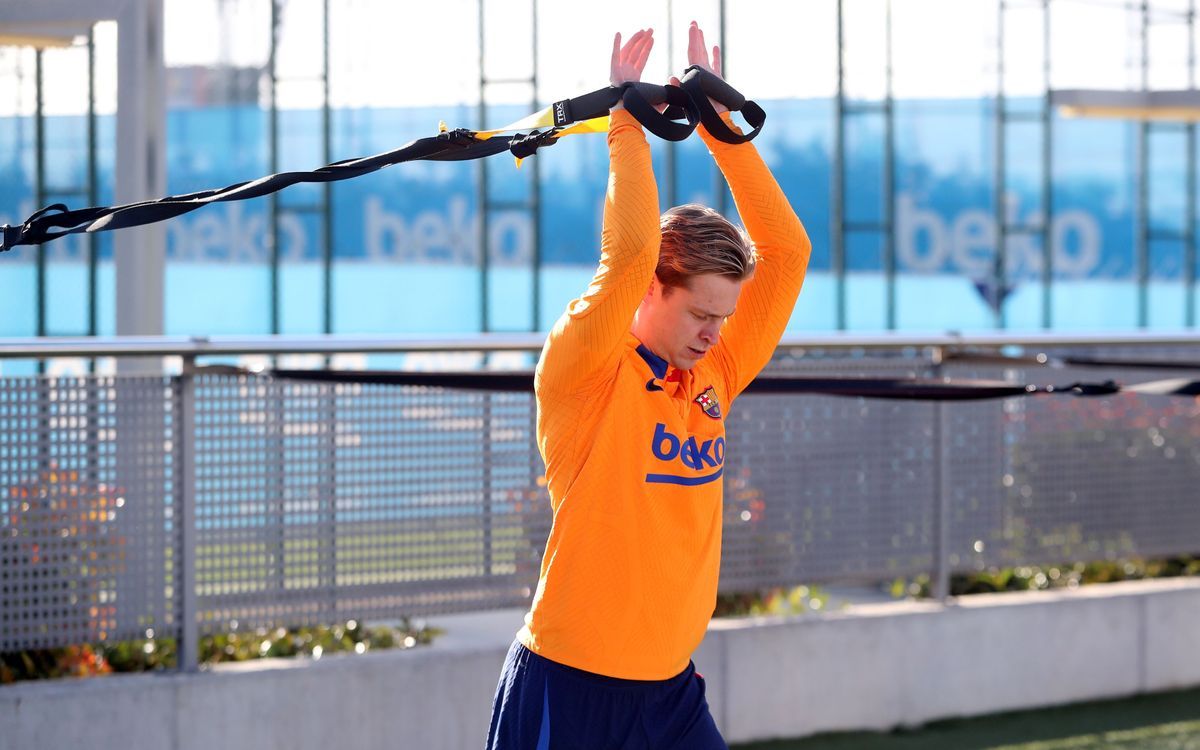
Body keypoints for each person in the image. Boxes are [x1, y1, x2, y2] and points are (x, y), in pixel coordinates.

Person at [486, 22, 811, 749]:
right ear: (651, 292)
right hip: (568, 687)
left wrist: (719, 123)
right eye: (700, 311)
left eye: (724, 317)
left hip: (668, 694)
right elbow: (631, 251)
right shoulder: (584, 369)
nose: (715, 332)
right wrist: (627, 123)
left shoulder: (714, 376)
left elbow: (787, 254)